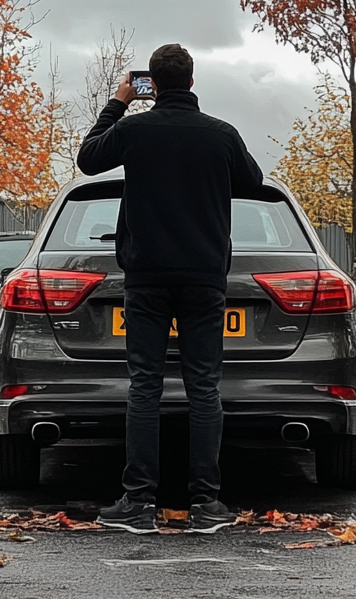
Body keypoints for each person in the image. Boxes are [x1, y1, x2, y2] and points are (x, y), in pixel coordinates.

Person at [77, 43, 264, 534]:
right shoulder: (221, 135)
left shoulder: (133, 130)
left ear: (152, 85)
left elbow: (88, 160)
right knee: (204, 386)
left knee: (145, 385)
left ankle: (138, 501)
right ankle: (207, 504)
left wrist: (118, 103)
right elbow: (254, 180)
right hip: (204, 277)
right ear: (193, 82)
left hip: (147, 275)